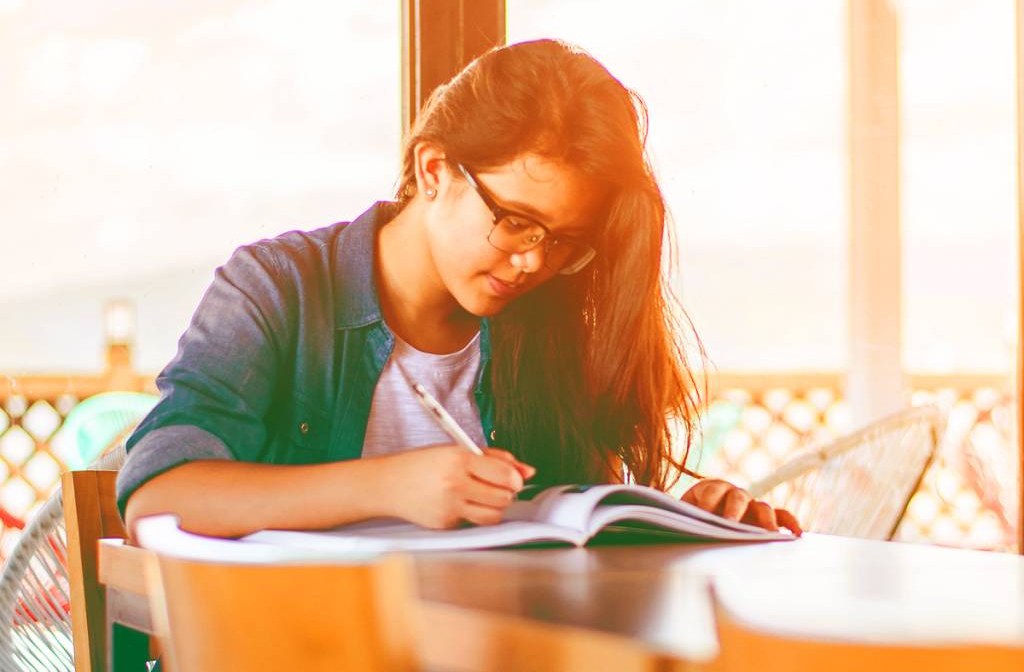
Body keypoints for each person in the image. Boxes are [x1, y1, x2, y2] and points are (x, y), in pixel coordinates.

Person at [118, 39, 801, 539]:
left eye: (562, 240)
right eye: (517, 222)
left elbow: (577, 527)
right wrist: (390, 484)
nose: (534, 263)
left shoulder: (546, 320)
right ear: (436, 168)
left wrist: (686, 517)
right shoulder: (279, 289)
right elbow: (157, 493)